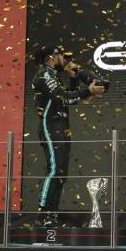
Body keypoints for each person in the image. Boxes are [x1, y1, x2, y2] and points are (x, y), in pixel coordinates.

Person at [32, 45, 106, 227]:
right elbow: (62, 98)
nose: (66, 60)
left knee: (61, 173)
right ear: (52, 56)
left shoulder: (53, 75)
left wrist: (75, 78)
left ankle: (52, 214)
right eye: (63, 57)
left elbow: (67, 99)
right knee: (55, 170)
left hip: (61, 126)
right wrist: (88, 91)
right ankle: (43, 214)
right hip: (50, 126)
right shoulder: (45, 74)